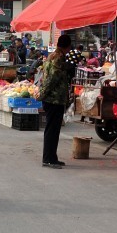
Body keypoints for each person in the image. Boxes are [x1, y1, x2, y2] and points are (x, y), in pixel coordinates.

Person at [38, 33, 76, 169]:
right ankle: (48, 159)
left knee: (53, 130)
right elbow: (51, 79)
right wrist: (42, 94)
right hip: (53, 99)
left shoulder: (53, 56)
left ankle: (52, 157)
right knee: (52, 130)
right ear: (68, 46)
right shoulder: (58, 58)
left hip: (54, 99)